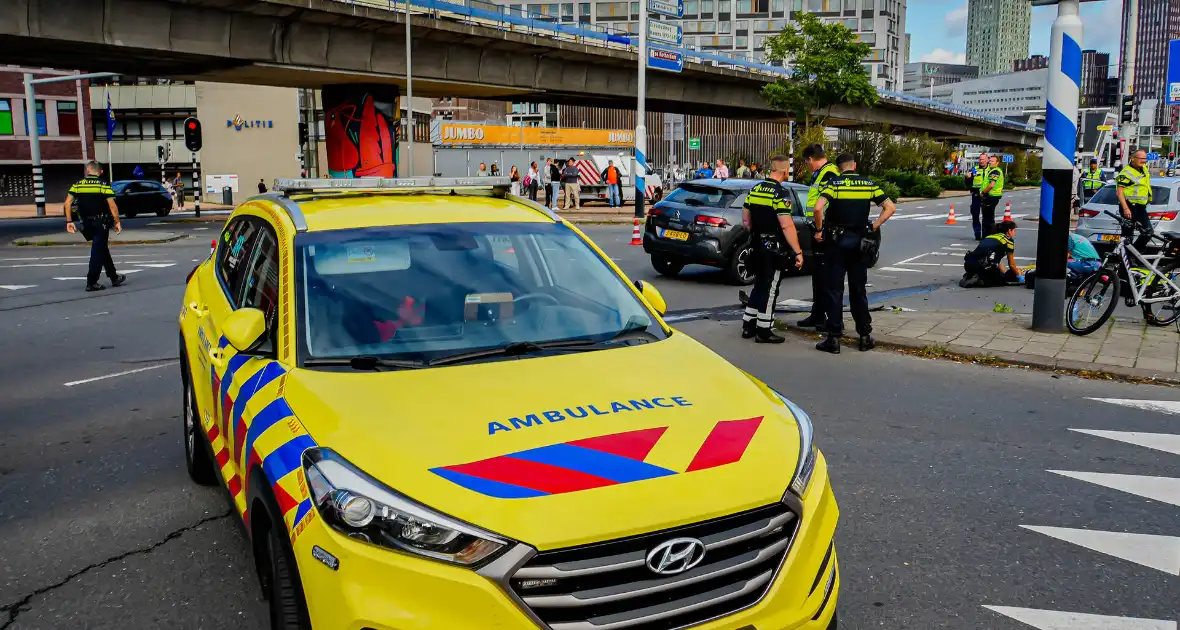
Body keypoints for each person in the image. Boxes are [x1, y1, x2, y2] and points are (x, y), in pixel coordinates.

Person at [812, 153, 896, 353]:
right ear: (854, 165)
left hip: (836, 243)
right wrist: (873, 227)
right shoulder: (868, 184)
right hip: (860, 244)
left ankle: (833, 339)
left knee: (834, 289)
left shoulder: (835, 184)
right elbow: (890, 207)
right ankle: (865, 335)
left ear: (839, 167)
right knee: (858, 290)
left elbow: (817, 208)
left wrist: (818, 230)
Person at [741, 154, 805, 344]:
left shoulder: (756, 188)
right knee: (770, 289)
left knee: (759, 284)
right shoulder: (780, 193)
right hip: (773, 248)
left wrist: (754, 233)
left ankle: (748, 324)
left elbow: (746, 219)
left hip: (757, 244)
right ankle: (764, 329)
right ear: (785, 171)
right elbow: (786, 225)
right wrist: (798, 252)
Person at [796, 143, 842, 331]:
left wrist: (821, 228)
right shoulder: (823, 173)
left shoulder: (829, 173)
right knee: (818, 274)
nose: (808, 166)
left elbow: (826, 204)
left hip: (823, 231)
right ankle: (817, 314)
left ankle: (825, 317)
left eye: (807, 163)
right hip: (818, 228)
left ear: (810, 159)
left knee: (824, 276)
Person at [65, 161, 126, 292]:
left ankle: (114, 277)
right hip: (101, 222)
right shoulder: (103, 185)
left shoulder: (78, 185)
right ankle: (91, 281)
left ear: (88, 171)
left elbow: (67, 203)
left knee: (101, 248)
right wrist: (117, 222)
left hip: (86, 223)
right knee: (97, 251)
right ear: (101, 172)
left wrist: (69, 221)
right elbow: (112, 205)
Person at [960, 220, 1021, 288]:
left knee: (999, 268)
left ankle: (972, 275)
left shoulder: (989, 237)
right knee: (1009, 276)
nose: (1015, 233)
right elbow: (1012, 265)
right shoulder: (1008, 240)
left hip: (969, 265)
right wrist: (1019, 275)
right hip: (983, 267)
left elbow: (994, 259)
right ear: (1009, 231)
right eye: (1014, 231)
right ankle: (980, 279)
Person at [1117, 149, 1153, 251]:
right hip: (1129, 206)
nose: (1144, 161)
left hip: (1140, 207)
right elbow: (1119, 192)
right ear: (1132, 159)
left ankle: (1133, 255)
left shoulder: (1144, 169)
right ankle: (1125, 261)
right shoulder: (1126, 172)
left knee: (1148, 232)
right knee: (1127, 236)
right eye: (1141, 159)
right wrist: (1125, 209)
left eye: (1145, 159)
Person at [965, 153, 989, 240]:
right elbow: (968, 182)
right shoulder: (975, 169)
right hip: (976, 194)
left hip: (987, 194)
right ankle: (977, 232)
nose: (981, 161)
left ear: (987, 160)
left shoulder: (991, 169)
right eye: (980, 159)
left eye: (983, 159)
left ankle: (985, 233)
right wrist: (967, 177)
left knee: (986, 215)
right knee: (975, 214)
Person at [980, 154, 1004, 236]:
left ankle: (988, 236)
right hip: (992, 196)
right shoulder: (993, 170)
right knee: (989, 217)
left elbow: (991, 185)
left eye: (992, 161)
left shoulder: (995, 171)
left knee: (987, 219)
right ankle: (990, 235)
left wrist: (983, 193)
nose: (990, 162)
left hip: (991, 196)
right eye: (989, 161)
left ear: (997, 163)